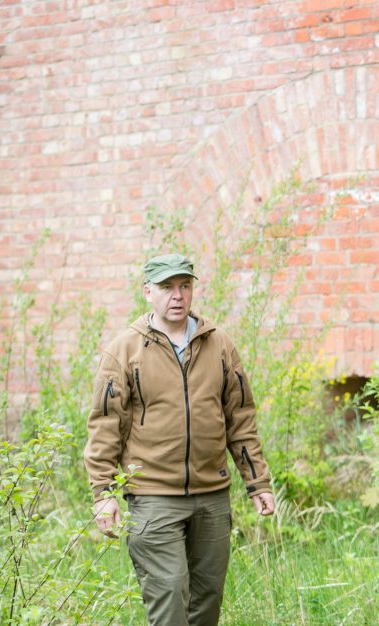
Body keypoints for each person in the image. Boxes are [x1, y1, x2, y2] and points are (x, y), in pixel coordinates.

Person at [85, 253, 275, 626]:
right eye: (167, 287)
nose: (178, 295)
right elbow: (105, 426)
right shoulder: (124, 351)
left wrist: (258, 483)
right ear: (147, 292)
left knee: (207, 602)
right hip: (153, 497)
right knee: (170, 597)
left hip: (212, 497)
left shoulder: (219, 344)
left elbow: (240, 417)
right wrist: (104, 494)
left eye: (184, 286)